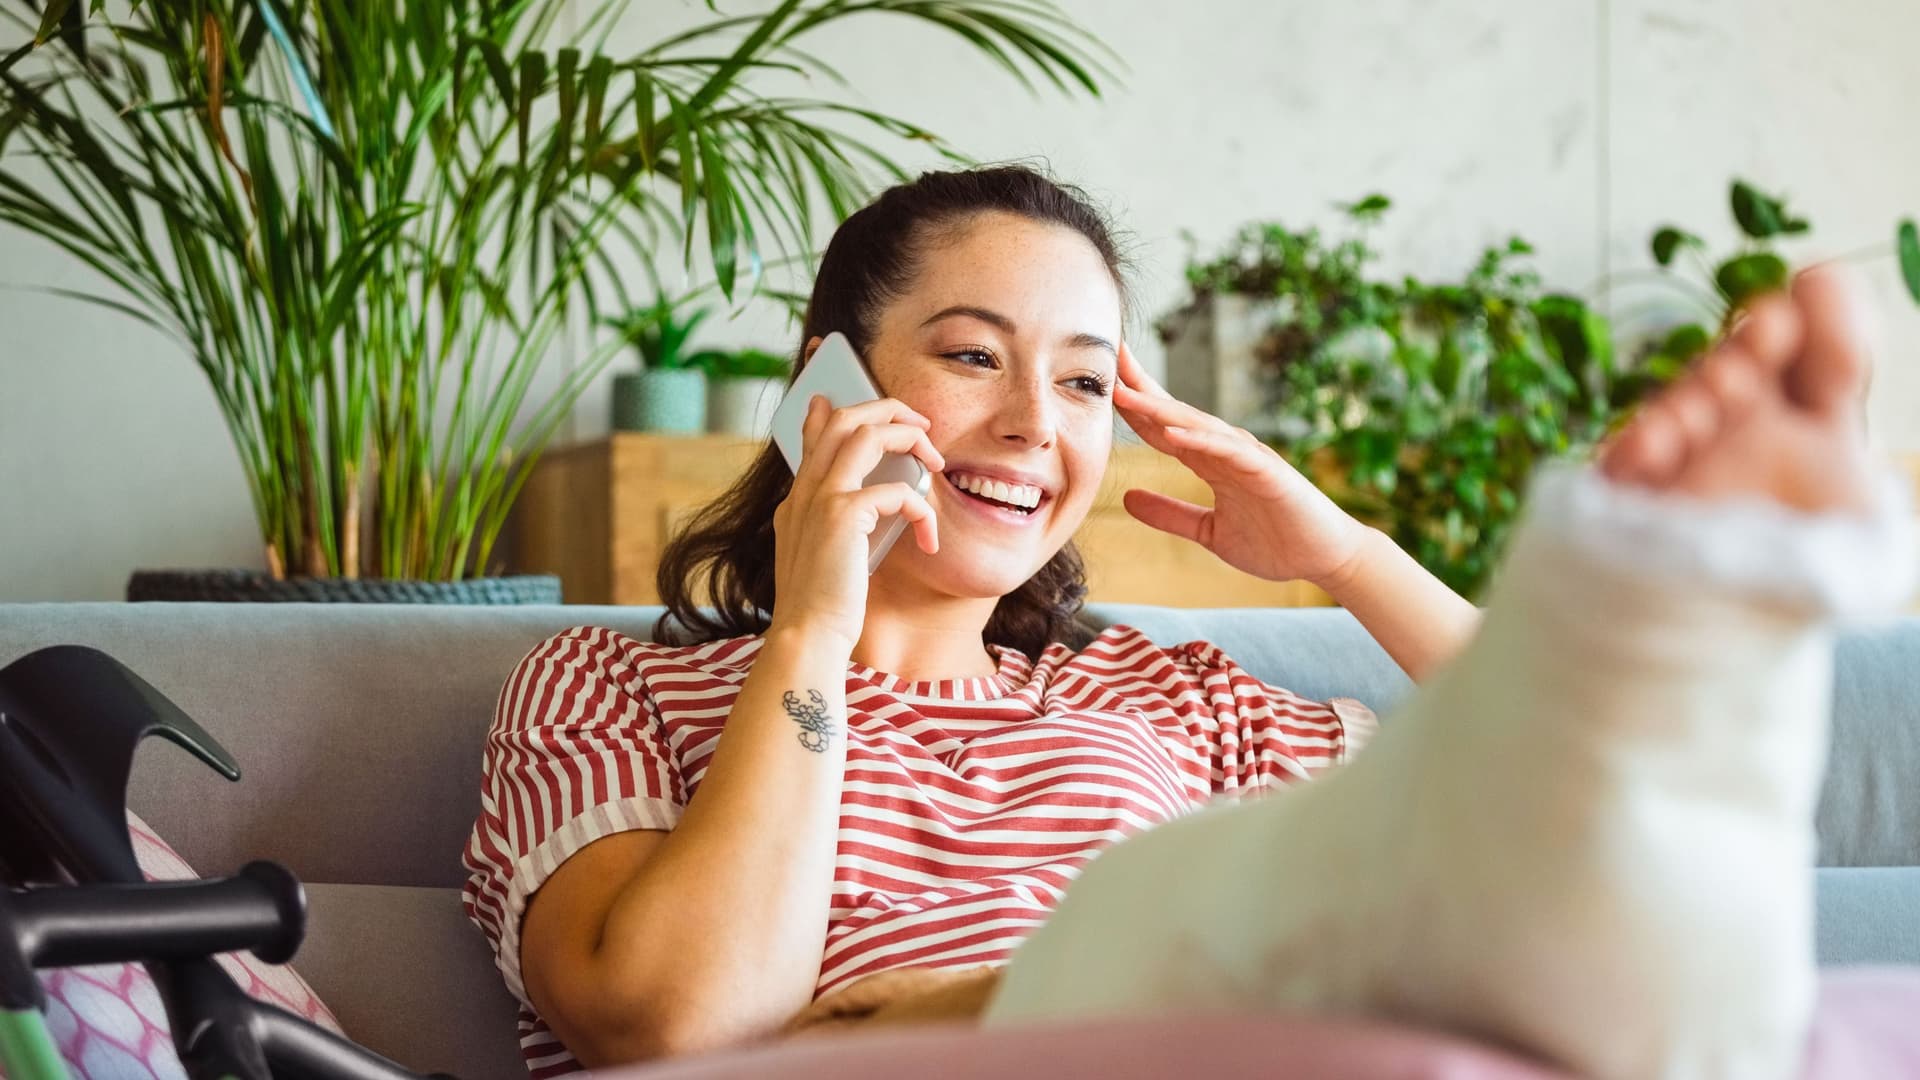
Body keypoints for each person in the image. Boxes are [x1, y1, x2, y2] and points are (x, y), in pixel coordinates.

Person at [459, 165, 1913, 1079]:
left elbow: (1550, 800)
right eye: (973, 356)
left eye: (1088, 383)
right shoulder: (602, 688)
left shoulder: (1171, 697)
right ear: (824, 389)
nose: (1036, 423)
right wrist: (812, 632)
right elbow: (673, 1027)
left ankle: (1660, 624)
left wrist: (1343, 554)